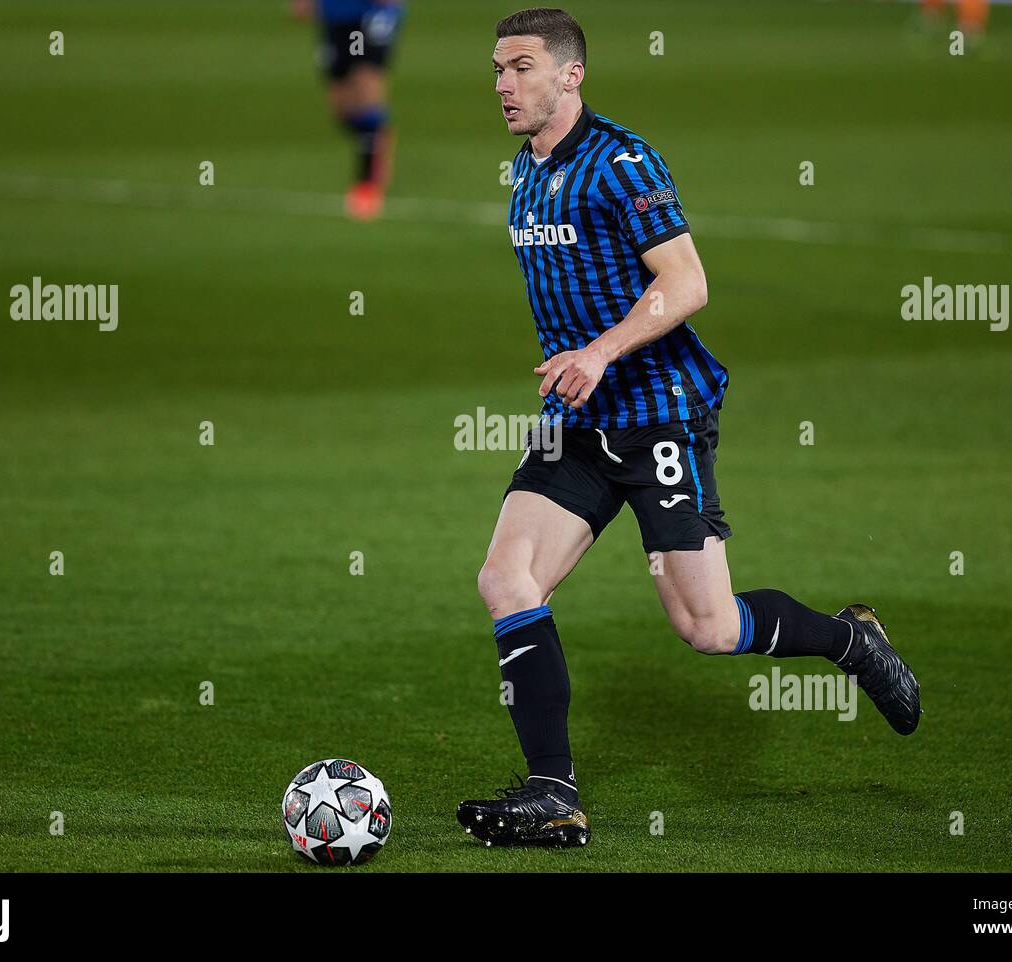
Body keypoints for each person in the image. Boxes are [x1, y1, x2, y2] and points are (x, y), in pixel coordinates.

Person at [456, 8, 921, 849]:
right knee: (506, 579)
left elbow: (689, 281)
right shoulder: (525, 171)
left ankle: (853, 643)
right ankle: (554, 795)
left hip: (659, 414)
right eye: (496, 68)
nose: (501, 84)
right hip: (579, 420)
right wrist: (580, 371)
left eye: (520, 67)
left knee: (707, 629)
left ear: (571, 75)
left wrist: (598, 352)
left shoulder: (621, 161)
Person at [294, 0, 404, 219]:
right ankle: (377, 137)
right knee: (343, 109)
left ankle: (366, 186)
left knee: (366, 91)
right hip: (335, 12)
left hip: (373, 12)